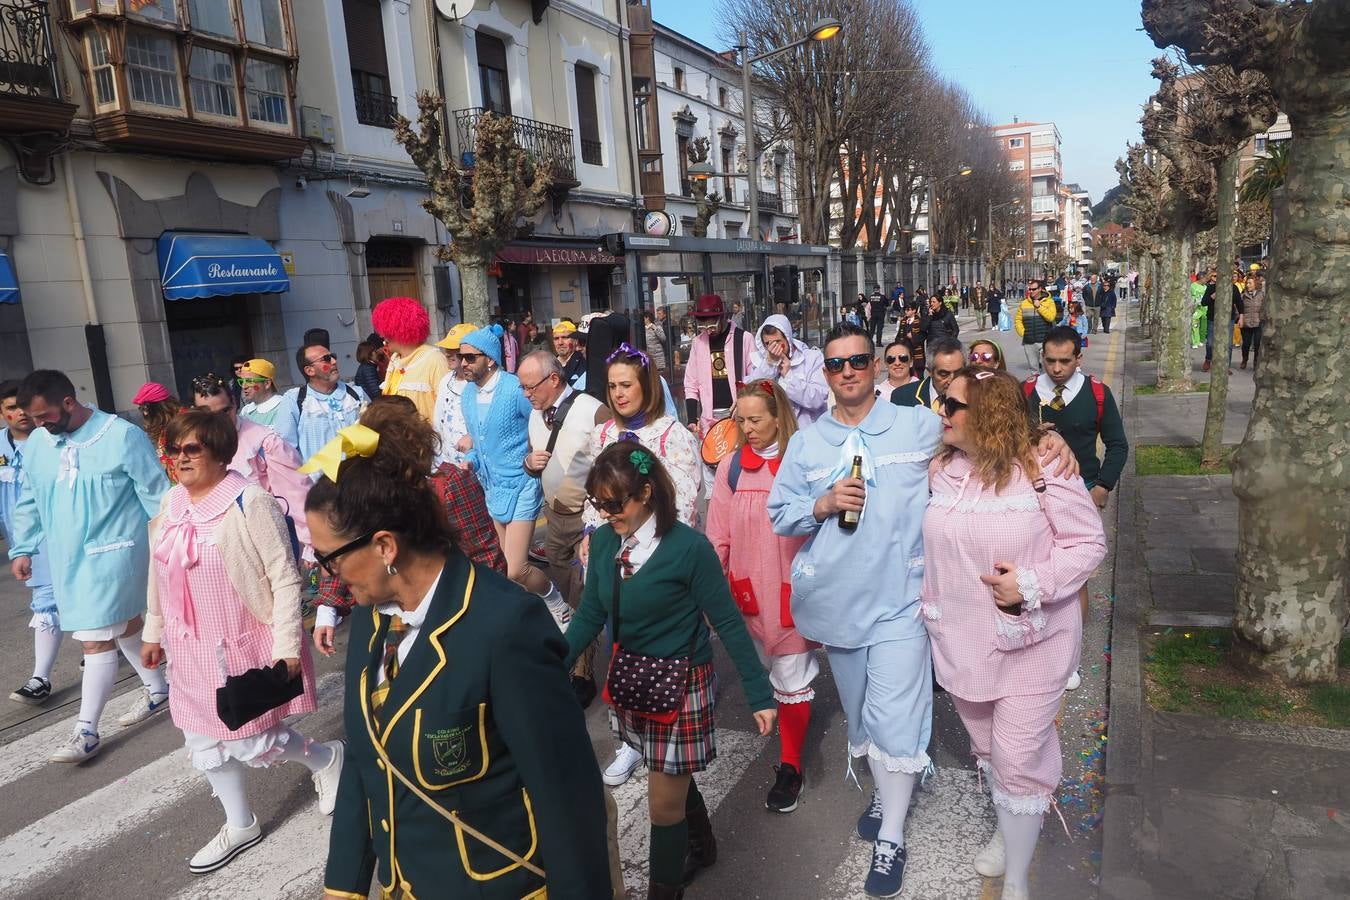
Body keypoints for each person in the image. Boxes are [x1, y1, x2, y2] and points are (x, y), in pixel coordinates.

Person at [768, 324, 1078, 898]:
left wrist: (1046, 436)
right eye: (836, 365)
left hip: (906, 604)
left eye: (860, 359)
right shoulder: (808, 444)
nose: (850, 371)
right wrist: (822, 502)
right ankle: (888, 791)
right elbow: (781, 515)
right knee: (863, 720)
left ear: (879, 366)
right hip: (838, 606)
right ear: (825, 375)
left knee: (894, 718)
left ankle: (891, 836)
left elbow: (991, 424)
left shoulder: (917, 421)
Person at [306, 415, 611, 900]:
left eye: (330, 558)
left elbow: (567, 800)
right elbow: (368, 757)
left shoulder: (506, 627)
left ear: (385, 545)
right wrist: (343, 887)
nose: (328, 575)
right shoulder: (372, 618)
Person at [922, 368, 1106, 900]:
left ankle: (1019, 881)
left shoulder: (1043, 466)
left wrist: (1030, 583)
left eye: (953, 405)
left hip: (1034, 643)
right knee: (989, 750)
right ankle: (1009, 826)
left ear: (988, 415)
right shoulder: (942, 468)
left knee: (1019, 754)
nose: (942, 412)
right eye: (942, 402)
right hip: (961, 643)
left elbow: (1088, 544)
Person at [564, 442, 775, 900]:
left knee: (662, 808)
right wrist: (551, 663)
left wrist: (759, 694)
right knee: (669, 773)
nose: (606, 514)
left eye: (615, 504)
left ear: (646, 493)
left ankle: (665, 890)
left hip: (681, 685)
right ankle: (701, 843)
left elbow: (729, 624)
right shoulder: (603, 542)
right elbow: (590, 614)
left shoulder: (688, 549)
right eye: (598, 504)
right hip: (634, 678)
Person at [140, 409, 341, 873]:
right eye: (174, 449)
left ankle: (328, 759)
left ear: (220, 452)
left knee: (254, 740)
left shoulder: (250, 501)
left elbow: (285, 579)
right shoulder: (173, 504)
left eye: (192, 448)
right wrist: (154, 631)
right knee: (203, 738)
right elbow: (159, 570)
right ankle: (240, 823)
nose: (180, 458)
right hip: (188, 647)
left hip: (239, 645)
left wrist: (288, 646)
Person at [7, 370, 171, 762]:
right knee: (127, 624)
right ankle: (159, 689)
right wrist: (23, 547)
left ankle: (86, 731)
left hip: (116, 553)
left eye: (46, 416)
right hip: (66, 559)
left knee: (95, 638)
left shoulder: (120, 436)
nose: (42, 425)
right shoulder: (38, 446)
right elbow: (30, 497)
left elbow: (156, 493)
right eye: (34, 419)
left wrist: (171, 546)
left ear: (68, 402)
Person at [706, 380, 817, 814]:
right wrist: (709, 582)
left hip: (792, 589)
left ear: (778, 417)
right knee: (764, 670)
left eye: (756, 420)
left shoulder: (802, 463)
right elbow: (718, 534)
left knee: (793, 678)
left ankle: (790, 766)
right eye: (741, 420)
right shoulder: (730, 467)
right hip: (747, 591)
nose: (747, 428)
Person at [1025, 326, 1129, 690]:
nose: (1056, 368)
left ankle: (1068, 657)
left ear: (1078, 358)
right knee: (1037, 567)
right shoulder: (1025, 392)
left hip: (1080, 493)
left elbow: (1117, 445)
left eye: (1064, 361)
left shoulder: (1097, 394)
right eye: (1049, 361)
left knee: (1073, 578)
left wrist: (1102, 486)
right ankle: (1036, 645)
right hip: (1032, 492)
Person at [519, 350, 612, 706]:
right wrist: (530, 463)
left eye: (531, 386)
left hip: (587, 521)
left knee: (581, 595)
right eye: (524, 387)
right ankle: (574, 656)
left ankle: (581, 673)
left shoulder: (592, 410)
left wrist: (598, 514)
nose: (526, 393)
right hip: (554, 518)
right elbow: (532, 458)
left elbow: (612, 464)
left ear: (554, 380)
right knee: (566, 591)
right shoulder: (535, 415)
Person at [456, 325, 567, 623]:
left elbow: (541, 418)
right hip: (491, 488)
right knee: (507, 566)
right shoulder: (468, 394)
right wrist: (470, 459)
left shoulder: (512, 388)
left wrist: (537, 455)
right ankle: (530, 617)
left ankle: (556, 602)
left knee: (516, 567)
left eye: (469, 358)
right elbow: (477, 440)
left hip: (523, 483)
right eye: (460, 357)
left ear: (490, 359)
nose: (462, 363)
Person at [191, 373, 314, 553]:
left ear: (234, 403)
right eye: (207, 414)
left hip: (265, 545)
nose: (219, 420)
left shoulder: (266, 442)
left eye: (225, 411)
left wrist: (312, 546)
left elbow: (297, 497)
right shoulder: (190, 447)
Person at [1, 381, 60, 704]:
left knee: (53, 601)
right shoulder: (0, 448)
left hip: (59, 533)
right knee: (50, 602)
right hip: (26, 542)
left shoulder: (50, 439)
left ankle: (41, 677)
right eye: (11, 407)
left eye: (23, 406)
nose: (20, 413)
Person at [286, 341, 370, 463]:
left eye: (333, 356)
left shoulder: (357, 393)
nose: (334, 361)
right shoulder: (294, 400)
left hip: (358, 478)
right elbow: (286, 451)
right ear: (310, 371)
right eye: (326, 359)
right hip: (319, 480)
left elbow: (374, 431)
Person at [684, 294, 755, 438]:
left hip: (739, 415)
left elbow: (755, 378)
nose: (708, 331)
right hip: (709, 419)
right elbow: (691, 382)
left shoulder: (744, 338)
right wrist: (692, 417)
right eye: (703, 327)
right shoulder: (698, 343)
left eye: (712, 326)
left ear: (722, 318)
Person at [372, 295, 451, 423]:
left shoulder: (434, 360)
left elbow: (449, 407)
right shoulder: (394, 360)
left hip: (425, 439)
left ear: (399, 330)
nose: (382, 337)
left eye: (386, 332)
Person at [746, 313, 829, 427]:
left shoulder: (811, 358)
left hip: (808, 432)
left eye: (778, 341)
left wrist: (789, 377)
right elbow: (750, 393)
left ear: (788, 338)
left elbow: (817, 399)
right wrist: (770, 365)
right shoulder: (761, 362)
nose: (773, 348)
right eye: (768, 343)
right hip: (776, 436)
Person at [431, 324, 475, 467]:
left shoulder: (478, 383)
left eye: (454, 350)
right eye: (446, 349)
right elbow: (438, 420)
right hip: (448, 464)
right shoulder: (446, 380)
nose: (447, 354)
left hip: (473, 464)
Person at [238, 358, 301, 449]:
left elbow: (288, 447)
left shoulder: (284, 407)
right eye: (242, 381)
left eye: (249, 381)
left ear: (267, 383)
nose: (244, 387)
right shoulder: (246, 411)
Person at [892, 338, 965, 414]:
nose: (951, 380)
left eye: (958, 373)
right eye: (944, 374)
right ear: (930, 371)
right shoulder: (903, 397)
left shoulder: (975, 395)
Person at [133, 381, 184, 483]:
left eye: (146, 408)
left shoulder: (184, 421)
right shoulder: (163, 425)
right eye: (141, 409)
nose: (145, 413)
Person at [1014, 279, 1058, 372]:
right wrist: (1023, 333)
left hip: (1045, 340)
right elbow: (1018, 320)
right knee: (1034, 368)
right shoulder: (1024, 303)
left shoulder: (1049, 302)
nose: (1031, 291)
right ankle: (1035, 386)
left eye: (1033, 289)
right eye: (1029, 289)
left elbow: (1051, 317)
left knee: (1047, 368)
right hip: (1029, 341)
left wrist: (1039, 307)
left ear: (1040, 289)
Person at [1239, 266, 1266, 370]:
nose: (1248, 285)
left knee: (1257, 344)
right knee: (1245, 344)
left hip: (1258, 323)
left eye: (1250, 283)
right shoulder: (1243, 295)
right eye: (1247, 283)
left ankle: (1256, 362)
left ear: (1255, 284)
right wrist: (1240, 318)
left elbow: (1265, 307)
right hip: (1246, 323)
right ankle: (1244, 359)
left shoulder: (1261, 295)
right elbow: (1239, 308)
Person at [900, 299, 929, 380]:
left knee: (918, 375)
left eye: (908, 309)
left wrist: (913, 336)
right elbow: (899, 336)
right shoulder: (903, 321)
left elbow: (923, 335)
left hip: (916, 352)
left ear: (914, 310)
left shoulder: (920, 321)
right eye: (905, 309)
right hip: (905, 350)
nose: (906, 311)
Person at [553, 319, 588, 387]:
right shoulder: (549, 363)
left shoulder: (584, 360)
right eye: (556, 338)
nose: (560, 343)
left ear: (575, 340)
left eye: (565, 337)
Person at [352, 334, 386, 400]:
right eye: (375, 351)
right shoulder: (368, 368)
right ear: (370, 353)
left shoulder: (366, 366)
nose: (377, 354)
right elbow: (376, 391)